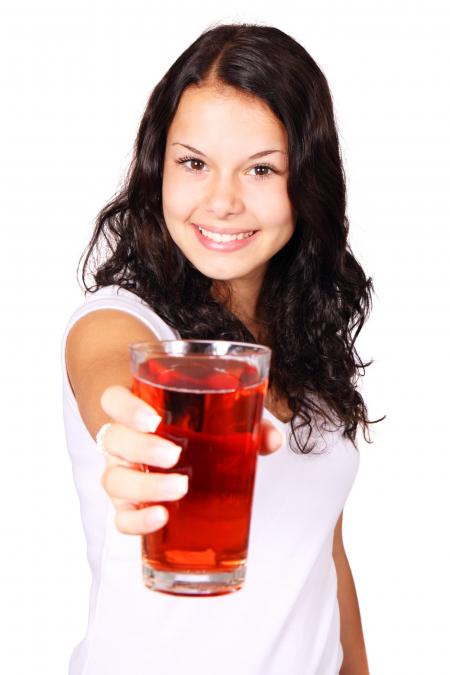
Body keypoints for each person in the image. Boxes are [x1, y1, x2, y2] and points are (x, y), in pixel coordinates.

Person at [62, 21, 381, 675]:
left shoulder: (310, 355)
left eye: (261, 168)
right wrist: (134, 432)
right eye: (194, 163)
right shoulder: (117, 320)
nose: (222, 200)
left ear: (307, 183)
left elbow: (324, 558)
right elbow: (114, 379)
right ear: (159, 169)